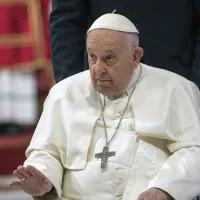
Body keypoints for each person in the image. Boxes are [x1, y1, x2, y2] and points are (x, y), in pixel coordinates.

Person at [10, 14, 200, 200]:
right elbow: (47, 151)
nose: (98, 69)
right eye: (92, 57)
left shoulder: (176, 89)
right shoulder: (63, 93)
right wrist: (42, 178)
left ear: (135, 57)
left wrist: (165, 189)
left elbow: (194, 151)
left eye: (109, 58)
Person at [50, 0, 200, 88]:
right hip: (100, 84)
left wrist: (195, 88)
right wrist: (72, 86)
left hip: (177, 78)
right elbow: (66, 22)